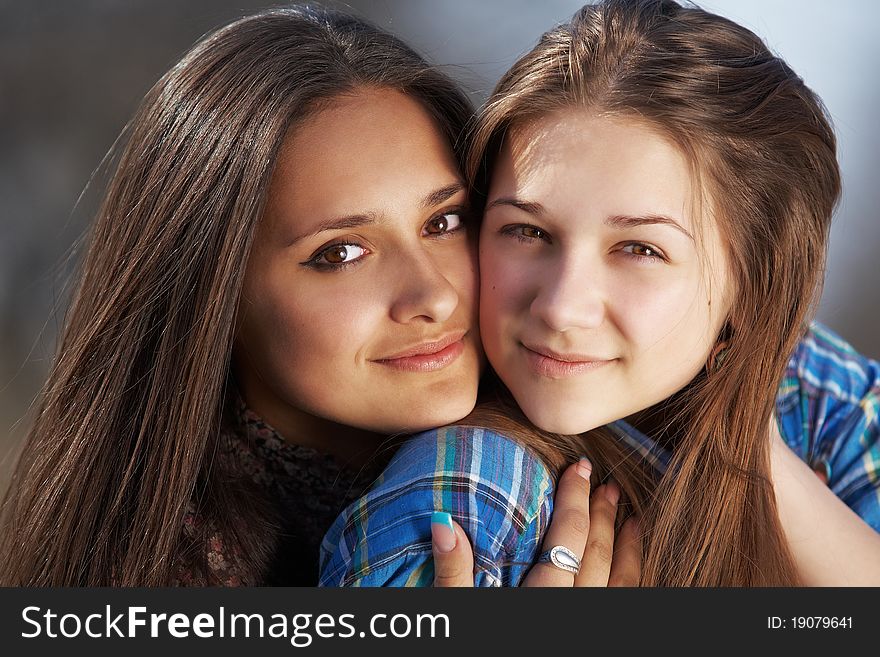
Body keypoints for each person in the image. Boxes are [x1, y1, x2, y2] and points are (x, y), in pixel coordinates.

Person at [320, 0, 880, 586]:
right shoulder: (469, 503)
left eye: (639, 249)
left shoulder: (820, 399)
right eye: (528, 231)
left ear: (753, 284)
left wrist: (749, 442)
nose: (561, 307)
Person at [0, 4, 548, 586]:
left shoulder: (596, 460)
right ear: (217, 296)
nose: (433, 296)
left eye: (444, 222)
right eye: (340, 253)